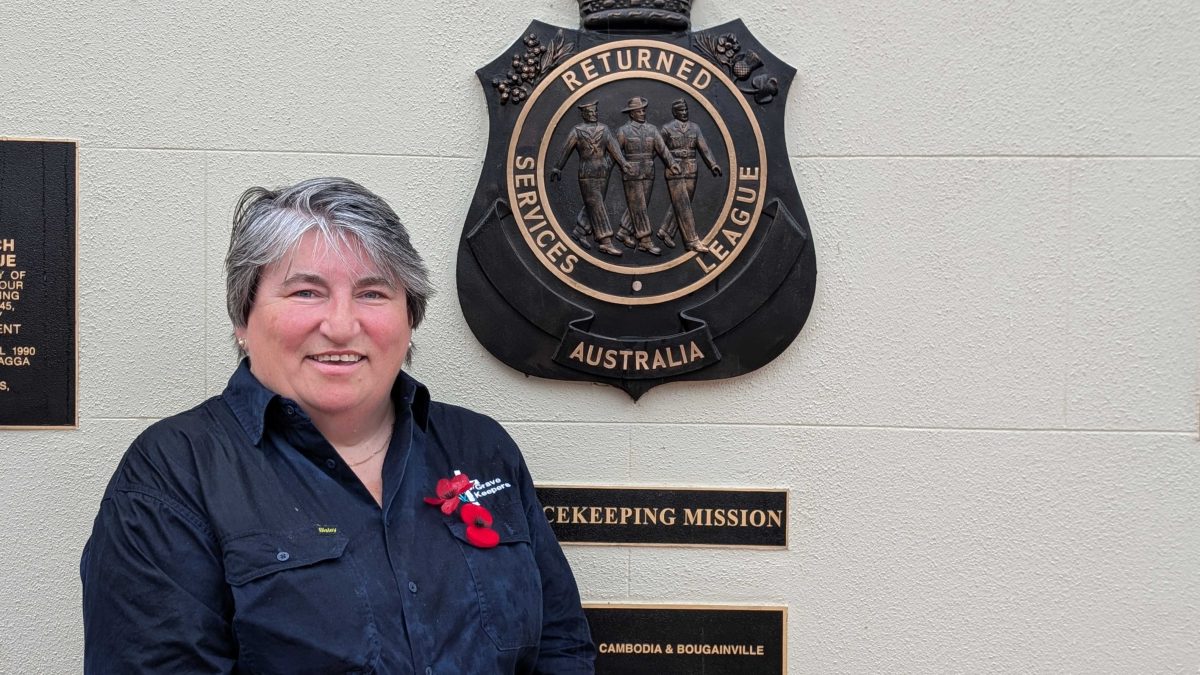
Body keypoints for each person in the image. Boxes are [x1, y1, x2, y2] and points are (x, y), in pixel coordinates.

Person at [80, 177, 596, 674]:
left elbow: (561, 646)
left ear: (409, 317)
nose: (342, 325)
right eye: (306, 292)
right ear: (243, 319)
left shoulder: (480, 448)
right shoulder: (174, 474)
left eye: (373, 293)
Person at [549, 100, 632, 257]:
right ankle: (605, 241)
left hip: (602, 172)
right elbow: (565, 149)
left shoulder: (604, 129)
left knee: (593, 204)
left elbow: (613, 148)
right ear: (584, 115)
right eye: (590, 112)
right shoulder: (577, 131)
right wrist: (557, 167)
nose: (594, 114)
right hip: (586, 173)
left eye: (595, 112)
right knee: (596, 204)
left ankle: (580, 231)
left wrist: (623, 163)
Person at [614, 96, 680, 255]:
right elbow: (615, 152)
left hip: (648, 172)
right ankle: (645, 240)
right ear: (631, 114)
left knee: (639, 205)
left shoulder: (652, 129)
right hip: (632, 173)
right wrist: (620, 165)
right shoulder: (623, 131)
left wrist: (672, 163)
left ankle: (623, 231)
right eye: (639, 111)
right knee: (639, 206)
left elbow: (662, 149)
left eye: (644, 110)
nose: (643, 113)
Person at [656, 99, 722, 252]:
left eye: (686, 110)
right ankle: (692, 241)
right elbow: (658, 148)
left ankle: (665, 231)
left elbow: (704, 148)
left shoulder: (695, 128)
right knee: (683, 204)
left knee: (682, 203)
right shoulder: (666, 129)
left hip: (691, 168)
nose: (684, 113)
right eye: (681, 111)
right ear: (675, 113)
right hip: (675, 170)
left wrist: (712, 164)